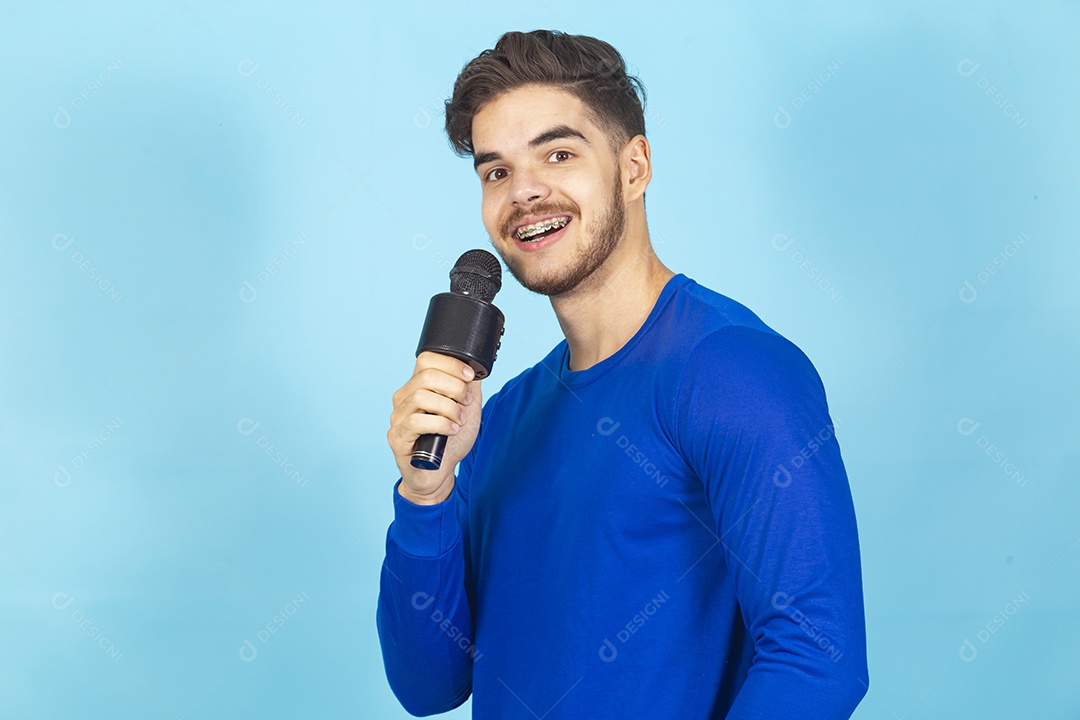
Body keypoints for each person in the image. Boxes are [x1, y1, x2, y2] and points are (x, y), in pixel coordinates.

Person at [378, 30, 868, 719]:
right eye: (496, 171)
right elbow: (427, 685)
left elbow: (819, 658)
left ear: (634, 166)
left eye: (558, 153)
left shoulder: (732, 370)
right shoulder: (503, 418)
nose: (525, 191)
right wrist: (426, 492)